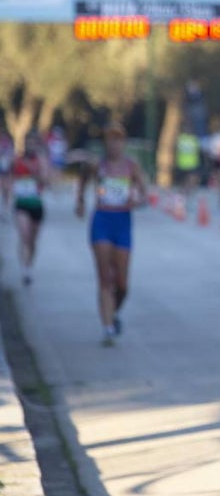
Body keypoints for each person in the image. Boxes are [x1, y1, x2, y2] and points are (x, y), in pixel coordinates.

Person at [75, 123, 149, 347]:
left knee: (122, 284)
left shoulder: (131, 166)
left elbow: (145, 193)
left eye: (118, 140)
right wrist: (80, 201)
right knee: (105, 278)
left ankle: (112, 312)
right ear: (105, 143)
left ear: (123, 143)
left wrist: (137, 200)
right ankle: (107, 327)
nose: (114, 145)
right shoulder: (98, 165)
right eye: (110, 140)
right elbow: (83, 181)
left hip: (123, 222)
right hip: (102, 221)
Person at [12, 140, 50, 285]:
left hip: (36, 205)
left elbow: (46, 181)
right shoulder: (16, 160)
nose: (30, 146)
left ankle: (29, 266)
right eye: (28, 144)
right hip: (21, 204)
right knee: (25, 236)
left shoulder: (40, 161)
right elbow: (9, 177)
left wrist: (36, 170)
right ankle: (24, 269)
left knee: (33, 241)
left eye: (33, 144)